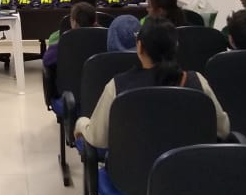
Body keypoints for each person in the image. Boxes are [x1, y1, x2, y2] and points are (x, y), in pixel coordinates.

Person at [74, 17, 229, 148]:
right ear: (175, 47)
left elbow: (98, 139)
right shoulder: (197, 81)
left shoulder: (116, 86)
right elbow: (223, 130)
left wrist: (82, 123)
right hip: (188, 172)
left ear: (139, 46)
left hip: (132, 173)